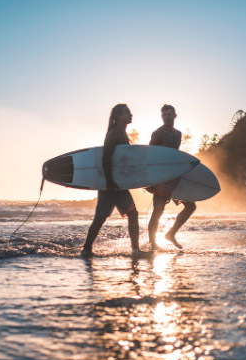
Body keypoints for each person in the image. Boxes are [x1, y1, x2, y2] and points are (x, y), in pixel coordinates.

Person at [82, 104, 140, 257]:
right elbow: (105, 157)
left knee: (132, 214)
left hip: (118, 184)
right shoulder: (114, 134)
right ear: (119, 116)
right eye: (127, 112)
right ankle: (86, 249)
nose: (131, 114)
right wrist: (109, 182)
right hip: (110, 185)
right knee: (100, 218)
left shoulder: (122, 134)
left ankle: (135, 250)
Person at [147, 104, 196, 250]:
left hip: (175, 176)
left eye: (170, 115)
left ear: (175, 116)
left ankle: (171, 233)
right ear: (162, 117)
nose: (167, 117)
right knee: (158, 209)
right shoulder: (157, 134)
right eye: (164, 115)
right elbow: (150, 154)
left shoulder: (178, 134)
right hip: (161, 177)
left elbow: (175, 155)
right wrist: (151, 179)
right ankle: (152, 243)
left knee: (191, 206)